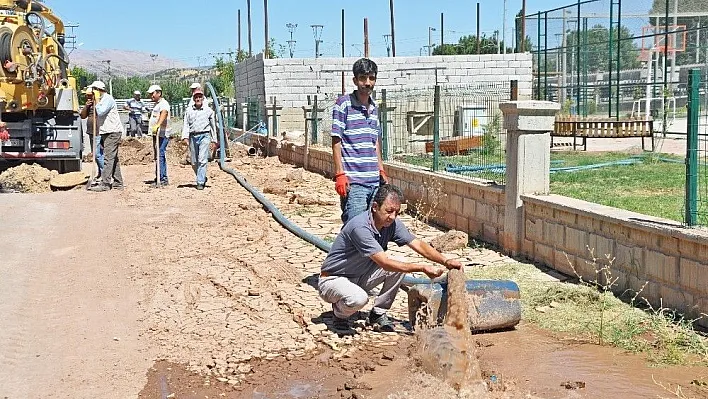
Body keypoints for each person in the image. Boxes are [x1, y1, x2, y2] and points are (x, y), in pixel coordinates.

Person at [318, 184, 463, 333]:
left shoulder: (391, 224)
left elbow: (417, 244)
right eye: (388, 211)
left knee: (399, 266)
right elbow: (385, 263)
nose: (392, 216)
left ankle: (377, 314)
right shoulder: (360, 227)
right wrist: (422, 268)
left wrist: (445, 261)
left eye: (397, 212)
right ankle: (339, 315)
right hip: (333, 280)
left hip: (359, 276)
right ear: (375, 207)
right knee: (359, 299)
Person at [332, 58, 388, 225]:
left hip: (374, 182)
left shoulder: (374, 108)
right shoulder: (344, 104)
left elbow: (375, 142)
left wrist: (381, 170)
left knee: (372, 229)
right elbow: (336, 141)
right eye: (363, 78)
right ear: (355, 80)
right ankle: (342, 252)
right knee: (354, 228)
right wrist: (340, 174)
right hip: (354, 184)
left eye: (371, 78)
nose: (368, 83)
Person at [87, 81, 125, 192]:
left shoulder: (107, 99)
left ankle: (105, 183)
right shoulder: (101, 100)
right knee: (114, 158)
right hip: (106, 132)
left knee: (108, 158)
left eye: (94, 91)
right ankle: (118, 182)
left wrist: (97, 100)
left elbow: (100, 111)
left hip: (112, 132)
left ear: (98, 90)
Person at [181, 87, 216, 190]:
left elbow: (213, 126)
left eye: (200, 97)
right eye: (196, 97)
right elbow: (186, 124)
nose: (198, 99)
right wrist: (185, 137)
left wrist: (214, 140)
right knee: (194, 161)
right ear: (193, 98)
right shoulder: (189, 111)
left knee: (202, 159)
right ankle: (202, 177)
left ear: (203, 98)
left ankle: (200, 182)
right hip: (193, 136)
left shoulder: (208, 111)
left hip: (205, 135)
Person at [147, 84, 171, 186]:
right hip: (157, 134)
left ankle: (162, 178)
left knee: (160, 154)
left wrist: (158, 125)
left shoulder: (164, 104)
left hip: (162, 134)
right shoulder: (157, 104)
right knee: (158, 155)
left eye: (152, 94)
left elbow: (164, 113)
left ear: (159, 93)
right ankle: (160, 176)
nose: (151, 96)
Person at [79, 88, 104, 181]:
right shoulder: (88, 105)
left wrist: (96, 104)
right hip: (91, 132)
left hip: (98, 132)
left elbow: (101, 114)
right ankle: (100, 172)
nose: (88, 97)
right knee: (95, 154)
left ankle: (104, 174)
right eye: (87, 95)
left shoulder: (100, 105)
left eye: (90, 95)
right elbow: (82, 116)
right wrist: (86, 107)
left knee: (98, 154)